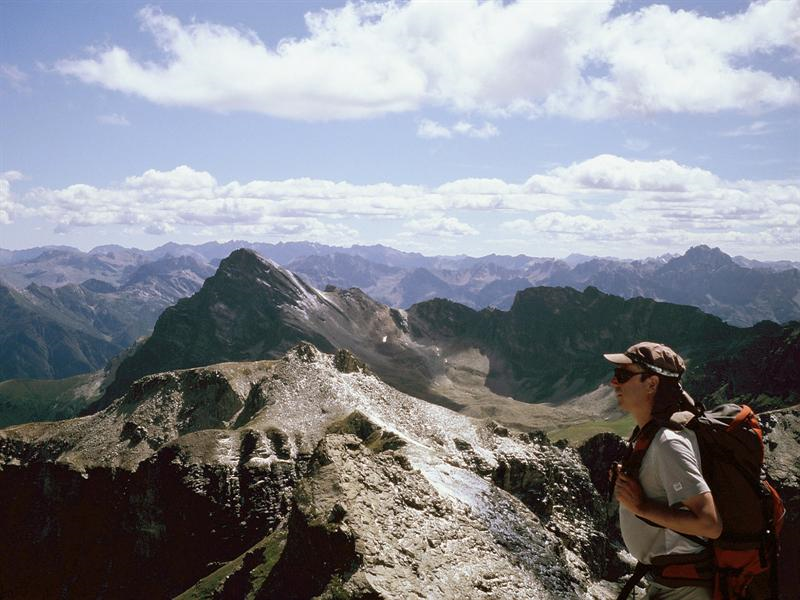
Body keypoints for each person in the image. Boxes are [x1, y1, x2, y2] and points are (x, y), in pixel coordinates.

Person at [604, 341, 722, 600]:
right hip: (669, 583)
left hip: (683, 589)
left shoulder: (668, 442)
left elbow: (710, 524)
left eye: (623, 375)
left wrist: (641, 507)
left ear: (652, 384)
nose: (614, 383)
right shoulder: (651, 434)